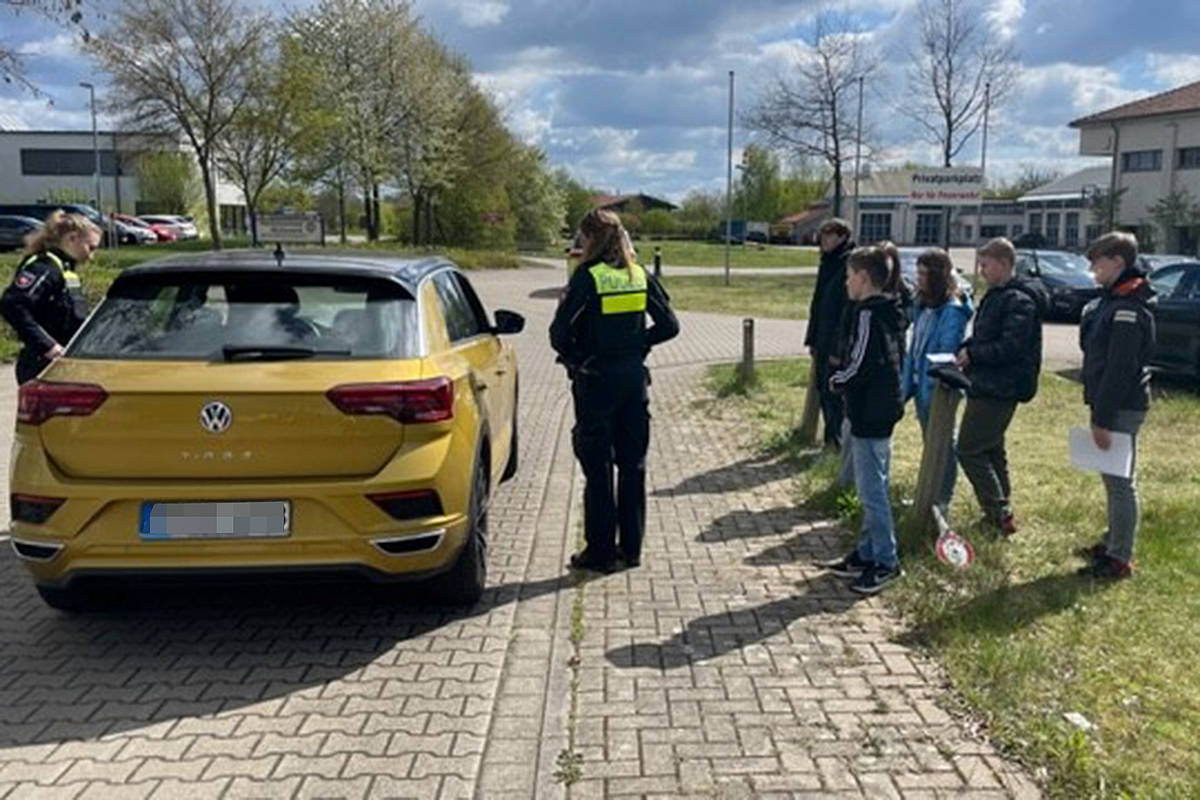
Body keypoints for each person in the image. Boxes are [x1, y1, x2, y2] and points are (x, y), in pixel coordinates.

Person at [550, 209, 680, 573]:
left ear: (590, 239)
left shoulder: (587, 278)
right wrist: (638, 343)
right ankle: (633, 549)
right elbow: (670, 325)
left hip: (595, 380)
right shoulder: (639, 275)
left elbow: (558, 335)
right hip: (633, 380)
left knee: (598, 467)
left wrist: (577, 357)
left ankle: (601, 552)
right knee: (633, 465)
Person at [816, 245, 906, 594]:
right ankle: (867, 552)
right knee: (872, 485)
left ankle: (886, 560)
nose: (846, 283)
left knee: (872, 492)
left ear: (864, 278)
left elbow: (861, 362)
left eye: (850, 276)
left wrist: (837, 380)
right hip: (876, 408)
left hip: (872, 412)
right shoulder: (885, 310)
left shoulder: (869, 315)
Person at [954, 237, 1048, 535]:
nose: (981, 270)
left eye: (986, 264)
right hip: (986, 382)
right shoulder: (997, 295)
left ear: (1005, 264)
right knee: (992, 449)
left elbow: (1010, 347)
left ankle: (997, 510)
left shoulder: (1019, 300)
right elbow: (985, 335)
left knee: (968, 449)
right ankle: (1001, 512)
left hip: (1001, 386)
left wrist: (974, 354)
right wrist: (967, 347)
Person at [1076, 231, 1155, 580]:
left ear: (1118, 262)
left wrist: (1102, 417)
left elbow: (1120, 368)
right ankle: (1113, 541)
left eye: (1098, 262)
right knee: (1113, 478)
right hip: (1111, 404)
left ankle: (1119, 558)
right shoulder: (1113, 300)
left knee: (1121, 481)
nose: (1093, 268)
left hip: (1120, 406)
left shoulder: (1128, 308)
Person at [900, 248, 974, 511]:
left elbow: (946, 351)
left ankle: (941, 499)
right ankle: (927, 494)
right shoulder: (922, 307)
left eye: (923, 274)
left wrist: (930, 385)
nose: (918, 279)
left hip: (939, 389)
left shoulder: (952, 311)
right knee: (929, 444)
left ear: (938, 276)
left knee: (943, 445)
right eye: (917, 273)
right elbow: (914, 349)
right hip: (921, 386)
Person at [0, 211, 100, 384]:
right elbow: (12, 303)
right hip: (42, 364)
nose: (91, 257)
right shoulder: (45, 267)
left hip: (63, 362)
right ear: (72, 238)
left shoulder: (64, 268)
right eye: (90, 248)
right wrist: (48, 346)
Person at [806, 218, 855, 449]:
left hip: (837, 343)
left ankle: (836, 445)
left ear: (842, 237)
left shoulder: (848, 263)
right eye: (822, 235)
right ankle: (830, 443)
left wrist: (838, 348)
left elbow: (847, 311)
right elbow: (818, 304)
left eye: (829, 235)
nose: (823, 240)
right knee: (823, 391)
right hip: (822, 339)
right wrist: (812, 339)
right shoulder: (827, 262)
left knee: (835, 395)